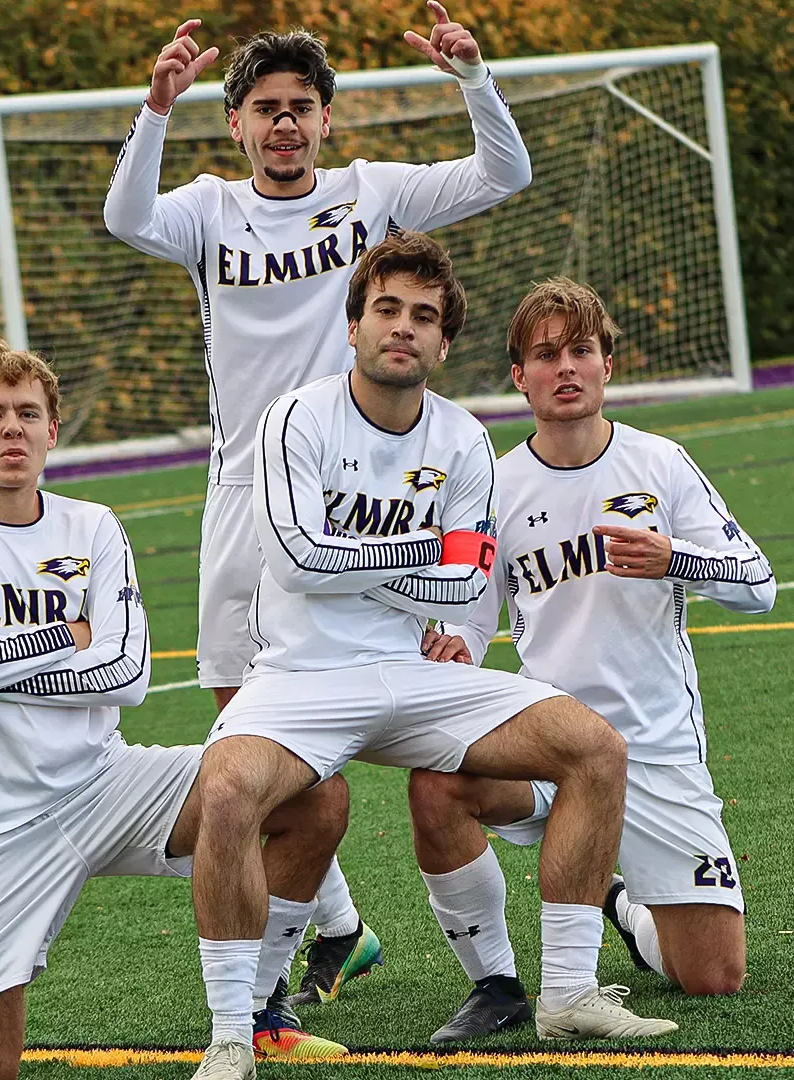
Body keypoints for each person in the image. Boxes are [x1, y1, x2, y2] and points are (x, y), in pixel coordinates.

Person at [103, 9, 532, 1003]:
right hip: (248, 496)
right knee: (241, 734)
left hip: (372, 493)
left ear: (328, 121)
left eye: (301, 108)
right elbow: (128, 218)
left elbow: (502, 176)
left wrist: (474, 80)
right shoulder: (209, 210)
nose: (285, 124)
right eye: (265, 111)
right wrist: (154, 108)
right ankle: (336, 926)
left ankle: (399, 928)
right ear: (239, 127)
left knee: (425, 703)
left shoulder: (371, 194)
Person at [181, 234, 677, 1080]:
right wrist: (420, 554)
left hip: (419, 676)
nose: (402, 328)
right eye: (387, 310)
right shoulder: (295, 418)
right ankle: (232, 1034)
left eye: (423, 317)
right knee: (228, 786)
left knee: (594, 748)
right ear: (354, 325)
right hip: (302, 679)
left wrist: (370, 563)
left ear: (443, 344)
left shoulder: (462, 438)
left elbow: (462, 590)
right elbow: (296, 561)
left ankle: (565, 994)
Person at [0, 339, 351, 1079]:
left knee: (315, 794)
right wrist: (63, 638)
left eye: (27, 415)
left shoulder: (92, 526)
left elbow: (127, 673)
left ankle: (258, 1010)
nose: (12, 429)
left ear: (52, 430)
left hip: (109, 783)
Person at [410, 278, 776, 1043]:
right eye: (546, 355)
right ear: (520, 377)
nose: (565, 367)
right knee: (439, 784)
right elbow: (474, 619)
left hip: (655, 749)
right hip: (548, 739)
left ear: (608, 364)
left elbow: (759, 584)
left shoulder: (661, 463)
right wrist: (455, 647)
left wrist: (679, 559)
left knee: (713, 977)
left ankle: (616, 899)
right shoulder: (496, 485)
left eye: (581, 350)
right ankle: (498, 983)